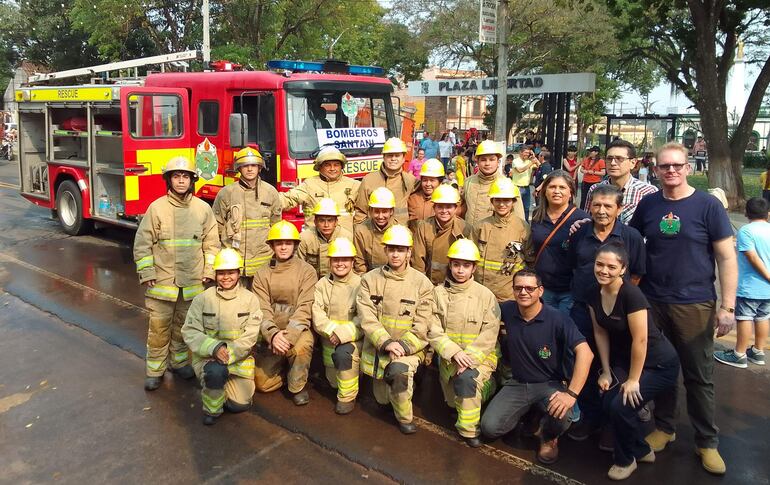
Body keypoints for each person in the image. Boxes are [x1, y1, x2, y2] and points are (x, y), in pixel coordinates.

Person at [629, 142, 737, 475]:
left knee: (698, 376)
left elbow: (726, 257)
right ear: (656, 169)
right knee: (662, 370)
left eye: (677, 165)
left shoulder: (708, 206)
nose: (671, 171)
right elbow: (629, 244)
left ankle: (707, 441)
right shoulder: (648, 205)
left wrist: (728, 307)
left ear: (688, 167)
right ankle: (665, 427)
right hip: (653, 301)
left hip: (695, 303)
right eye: (665, 166)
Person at [481, 270, 594, 464]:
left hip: (549, 385)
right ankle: (529, 415)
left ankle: (549, 437)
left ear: (540, 291)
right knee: (489, 428)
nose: (524, 292)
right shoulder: (507, 310)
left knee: (563, 414)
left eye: (530, 288)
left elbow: (586, 353)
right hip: (517, 383)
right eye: (518, 288)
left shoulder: (557, 318)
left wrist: (571, 393)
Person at [588, 243, 680, 480]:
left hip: (658, 363)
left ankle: (625, 459)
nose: (604, 270)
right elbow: (600, 333)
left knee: (621, 406)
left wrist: (633, 380)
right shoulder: (593, 292)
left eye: (611, 266)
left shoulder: (631, 294)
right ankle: (641, 449)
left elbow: (641, 340)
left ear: (623, 269)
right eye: (600, 264)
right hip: (627, 361)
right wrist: (607, 371)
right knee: (608, 401)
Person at [566, 184, 646, 440]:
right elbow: (573, 267)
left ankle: (613, 423)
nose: (601, 211)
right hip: (582, 311)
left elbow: (637, 274)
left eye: (608, 206)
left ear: (619, 209)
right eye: (596, 205)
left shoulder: (631, 237)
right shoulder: (579, 233)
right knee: (585, 365)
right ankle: (590, 418)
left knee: (615, 366)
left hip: (618, 317)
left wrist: (621, 304)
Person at [134, 156, 220, 391]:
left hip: (192, 283)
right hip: (162, 283)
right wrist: (147, 271)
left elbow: (212, 244)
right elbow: (142, 243)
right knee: (159, 329)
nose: (181, 181)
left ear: (192, 180)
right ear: (169, 180)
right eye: (176, 176)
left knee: (184, 328)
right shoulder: (157, 208)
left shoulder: (203, 209)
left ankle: (180, 362)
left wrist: (209, 271)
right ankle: (155, 371)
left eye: (185, 176)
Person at [357, 225, 433, 434]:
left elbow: (423, 325)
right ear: (386, 251)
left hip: (408, 350)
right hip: (380, 348)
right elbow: (367, 317)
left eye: (401, 250)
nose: (396, 254)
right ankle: (404, 385)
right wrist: (386, 342)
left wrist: (402, 346)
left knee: (398, 375)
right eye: (392, 249)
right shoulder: (369, 280)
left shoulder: (422, 284)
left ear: (409, 252)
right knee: (382, 400)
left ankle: (405, 418)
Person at [427, 239, 501, 447]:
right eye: (456, 264)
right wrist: (453, 353)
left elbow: (490, 332)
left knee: (467, 382)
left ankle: (469, 430)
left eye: (466, 265)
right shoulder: (438, 294)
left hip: (478, 359)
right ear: (450, 265)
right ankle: (469, 397)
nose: (460, 270)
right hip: (451, 359)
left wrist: (469, 359)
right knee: (452, 402)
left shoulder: (485, 296)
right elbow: (432, 328)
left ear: (474, 268)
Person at [181, 248, 262, 425]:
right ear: (215, 274)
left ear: (239, 273)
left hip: (238, 360)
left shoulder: (250, 300)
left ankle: (216, 386)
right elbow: (190, 331)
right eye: (221, 273)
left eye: (231, 272)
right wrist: (214, 348)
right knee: (215, 373)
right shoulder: (202, 299)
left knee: (238, 405)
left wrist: (227, 353)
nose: (226, 277)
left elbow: (250, 336)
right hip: (209, 359)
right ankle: (212, 410)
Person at [252, 221, 318, 406]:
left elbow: (305, 308)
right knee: (262, 384)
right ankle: (284, 370)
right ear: (272, 245)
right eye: (278, 243)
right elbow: (262, 308)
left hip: (297, 331)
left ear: (295, 245)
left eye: (288, 243)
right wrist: (273, 335)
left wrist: (288, 337)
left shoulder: (307, 271)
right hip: (272, 334)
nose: (283, 247)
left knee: (301, 348)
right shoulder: (262, 274)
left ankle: (297, 386)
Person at [714, 197, 770, 368]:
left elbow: (752, 256)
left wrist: (768, 276)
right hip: (766, 289)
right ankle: (758, 351)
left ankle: (739, 354)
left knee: (745, 317)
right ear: (768, 214)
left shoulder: (746, 231)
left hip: (750, 286)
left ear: (746, 213)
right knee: (763, 317)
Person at [213, 147, 282, 285]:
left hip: (263, 262)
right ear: (239, 168)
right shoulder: (226, 193)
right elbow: (217, 226)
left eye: (253, 165)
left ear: (259, 167)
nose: (250, 169)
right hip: (234, 262)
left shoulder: (270, 192)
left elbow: (276, 227)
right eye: (245, 166)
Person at [311, 237, 363, 415]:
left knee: (343, 356)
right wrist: (333, 332)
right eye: (336, 259)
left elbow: (364, 317)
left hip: (352, 342)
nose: (340, 264)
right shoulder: (321, 285)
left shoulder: (361, 285)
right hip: (329, 341)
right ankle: (343, 381)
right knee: (333, 381)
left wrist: (343, 334)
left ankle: (347, 397)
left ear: (352, 261)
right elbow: (317, 315)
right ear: (330, 261)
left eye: (345, 259)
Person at [530, 171, 589, 313]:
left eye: (562, 188)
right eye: (552, 187)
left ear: (571, 193)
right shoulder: (538, 215)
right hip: (543, 288)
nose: (557, 191)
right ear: (545, 191)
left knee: (563, 331)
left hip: (569, 291)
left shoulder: (582, 219)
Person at [472, 177, 533, 303]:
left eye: (506, 200)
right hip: (481, 293)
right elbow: (470, 259)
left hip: (509, 295)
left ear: (513, 202)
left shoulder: (522, 228)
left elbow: (530, 261)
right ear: (492, 201)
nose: (501, 204)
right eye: (497, 200)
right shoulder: (481, 226)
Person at [280, 146, 360, 233]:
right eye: (327, 165)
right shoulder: (309, 185)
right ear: (319, 167)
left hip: (345, 242)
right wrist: (266, 197)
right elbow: (287, 199)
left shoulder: (354, 185)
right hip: (315, 241)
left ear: (342, 166)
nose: (332, 169)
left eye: (336, 165)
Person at [584, 139, 658, 225]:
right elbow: (589, 221)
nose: (613, 163)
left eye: (619, 159)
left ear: (633, 163)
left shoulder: (648, 192)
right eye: (609, 158)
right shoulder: (595, 189)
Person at [412, 184, 470, 285]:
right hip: (429, 284)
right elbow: (418, 262)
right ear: (434, 207)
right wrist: (421, 286)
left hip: (455, 286)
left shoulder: (465, 228)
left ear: (456, 208)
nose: (444, 211)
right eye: (440, 206)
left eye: (448, 207)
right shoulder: (424, 227)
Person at [354, 137, 416, 225]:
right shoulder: (369, 180)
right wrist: (361, 233)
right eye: (390, 155)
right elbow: (360, 211)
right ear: (384, 157)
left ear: (403, 159)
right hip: (374, 233)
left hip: (400, 234)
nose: (393, 159)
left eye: (397, 155)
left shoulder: (410, 181)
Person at [463, 140, 525, 227]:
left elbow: (519, 219)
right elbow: (461, 210)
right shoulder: (468, 182)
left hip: (494, 237)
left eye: (492, 159)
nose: (487, 163)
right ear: (477, 162)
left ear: (498, 162)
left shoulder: (508, 185)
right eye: (483, 160)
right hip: (469, 236)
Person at [298, 198, 353, 279]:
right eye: (322, 220)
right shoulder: (305, 238)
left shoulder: (346, 237)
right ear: (315, 222)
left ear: (336, 222)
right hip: (311, 281)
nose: (326, 225)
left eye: (330, 220)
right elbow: (300, 267)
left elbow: (352, 267)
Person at [354, 187, 398, 274]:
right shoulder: (361, 230)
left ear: (391, 211)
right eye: (377, 211)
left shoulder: (400, 231)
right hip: (369, 278)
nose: (380, 216)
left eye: (384, 212)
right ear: (370, 211)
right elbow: (359, 263)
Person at [407, 158, 444, 230]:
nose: (428, 184)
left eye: (432, 180)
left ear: (440, 182)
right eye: (425, 180)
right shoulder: (412, 199)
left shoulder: (448, 200)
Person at [511, 145, 540, 221]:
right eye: (525, 152)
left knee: (526, 208)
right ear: (520, 152)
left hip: (527, 188)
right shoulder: (515, 161)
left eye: (528, 153)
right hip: (517, 187)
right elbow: (520, 170)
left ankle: (526, 224)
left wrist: (534, 157)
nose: (527, 154)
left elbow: (540, 166)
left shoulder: (529, 161)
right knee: (516, 208)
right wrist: (531, 163)